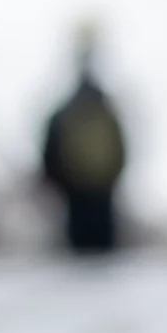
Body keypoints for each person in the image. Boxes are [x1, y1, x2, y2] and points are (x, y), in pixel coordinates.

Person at [40, 24, 128, 255]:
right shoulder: (107, 107)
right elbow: (123, 151)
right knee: (104, 267)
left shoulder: (66, 109)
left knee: (77, 268)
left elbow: (49, 154)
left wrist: (56, 183)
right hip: (103, 197)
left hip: (75, 199)